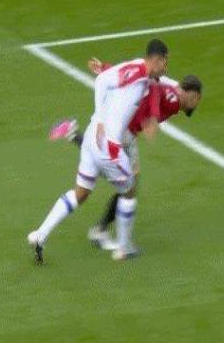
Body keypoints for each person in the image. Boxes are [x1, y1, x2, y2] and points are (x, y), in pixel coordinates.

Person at [27, 39, 169, 263]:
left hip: (93, 139)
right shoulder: (138, 71)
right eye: (165, 62)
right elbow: (103, 80)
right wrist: (102, 118)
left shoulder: (142, 73)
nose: (166, 67)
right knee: (130, 189)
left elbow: (113, 74)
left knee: (81, 192)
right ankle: (124, 248)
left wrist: (103, 67)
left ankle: (39, 235)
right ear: (156, 59)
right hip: (107, 143)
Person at [50, 60, 203, 250]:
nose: (195, 105)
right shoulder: (173, 99)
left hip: (120, 124)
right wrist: (152, 117)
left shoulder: (171, 87)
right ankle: (101, 231)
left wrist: (106, 68)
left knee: (119, 174)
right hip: (124, 131)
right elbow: (153, 86)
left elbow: (143, 76)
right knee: (128, 183)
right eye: (196, 100)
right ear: (192, 94)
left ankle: (74, 135)